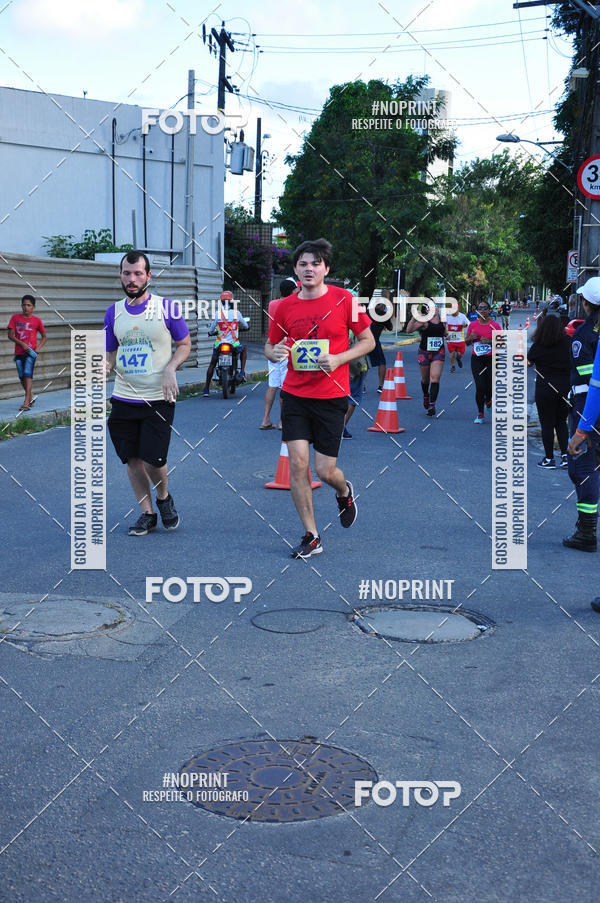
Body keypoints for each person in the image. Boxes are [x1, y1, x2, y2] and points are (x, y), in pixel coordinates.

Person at [265, 238, 374, 559]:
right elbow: (271, 346)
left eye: (315, 263)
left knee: (325, 471)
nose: (309, 269)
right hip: (295, 395)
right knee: (298, 464)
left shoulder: (345, 300)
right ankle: (311, 535)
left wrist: (339, 358)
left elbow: (367, 341)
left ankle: (343, 490)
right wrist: (275, 352)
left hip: (331, 396)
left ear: (326, 268)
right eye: (303, 264)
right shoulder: (283, 307)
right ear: (296, 269)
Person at [104, 251, 191, 536]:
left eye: (138, 273)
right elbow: (111, 352)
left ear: (148, 276)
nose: (132, 279)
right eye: (127, 273)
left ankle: (163, 497)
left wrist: (171, 368)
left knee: (154, 460)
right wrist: (105, 365)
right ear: (120, 275)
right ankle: (147, 513)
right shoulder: (112, 312)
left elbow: (184, 344)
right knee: (132, 459)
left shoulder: (167, 308)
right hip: (123, 397)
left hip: (158, 398)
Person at [562, 277, 600, 552]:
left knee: (582, 468)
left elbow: (592, 385)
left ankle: (587, 532)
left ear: (586, 303)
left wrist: (581, 429)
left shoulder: (585, 334)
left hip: (588, 409)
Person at [527, 306, 571, 468]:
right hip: (564, 387)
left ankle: (549, 459)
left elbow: (528, 362)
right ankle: (565, 456)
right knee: (561, 422)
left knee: (547, 424)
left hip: (545, 388)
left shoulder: (539, 344)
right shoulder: (567, 342)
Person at [260, 277, 297, 429]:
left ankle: (265, 419)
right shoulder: (292, 305)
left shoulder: (272, 304)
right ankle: (282, 421)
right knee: (285, 387)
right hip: (286, 347)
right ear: (292, 291)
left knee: (272, 385)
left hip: (273, 346)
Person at [406, 302, 446, 417]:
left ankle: (432, 405)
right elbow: (408, 330)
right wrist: (414, 318)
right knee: (425, 380)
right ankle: (426, 395)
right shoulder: (424, 321)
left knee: (435, 378)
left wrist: (447, 335)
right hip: (424, 353)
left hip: (438, 352)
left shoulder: (443, 321)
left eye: (435, 307)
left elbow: (444, 332)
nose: (434, 309)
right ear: (427, 310)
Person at [7, 294, 46, 411]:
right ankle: (31, 397)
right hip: (19, 352)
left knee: (27, 374)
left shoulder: (37, 320)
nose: (26, 307)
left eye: (29, 305)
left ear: (33, 307)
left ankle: (26, 402)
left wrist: (38, 348)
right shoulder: (15, 318)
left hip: (30, 353)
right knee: (21, 376)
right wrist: (22, 344)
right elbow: (10, 335)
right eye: (24, 305)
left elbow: (44, 337)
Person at [465, 301, 501, 423]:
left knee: (490, 385)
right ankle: (480, 414)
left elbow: (502, 342)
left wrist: (490, 341)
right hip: (477, 359)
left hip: (492, 359)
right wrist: (470, 338)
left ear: (489, 310)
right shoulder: (472, 325)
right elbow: (467, 342)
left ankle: (488, 400)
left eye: (485, 308)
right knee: (480, 386)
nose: (482, 310)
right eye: (480, 308)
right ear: (477, 311)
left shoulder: (495, 325)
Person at [343, 331, 369, 438]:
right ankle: (340, 428)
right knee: (352, 399)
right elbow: (368, 343)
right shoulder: (357, 324)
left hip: (335, 363)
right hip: (353, 366)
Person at [368, 300, 394, 393]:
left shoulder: (368, 312)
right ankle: (381, 385)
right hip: (373, 341)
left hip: (362, 340)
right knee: (382, 362)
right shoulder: (384, 315)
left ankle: (362, 385)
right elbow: (390, 328)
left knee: (363, 363)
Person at [445, 305, 469, 372]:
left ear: (458, 309)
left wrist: (465, 325)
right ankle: (453, 366)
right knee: (451, 353)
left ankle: (458, 359)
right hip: (450, 339)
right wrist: (446, 334)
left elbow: (469, 323)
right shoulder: (447, 317)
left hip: (460, 339)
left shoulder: (462, 316)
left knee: (460, 354)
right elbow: (443, 327)